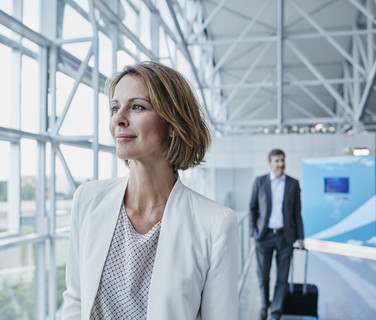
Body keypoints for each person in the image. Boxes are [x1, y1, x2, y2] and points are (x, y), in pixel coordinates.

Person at [61, 61, 238, 320]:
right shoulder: (88, 200)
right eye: (114, 108)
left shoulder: (214, 224)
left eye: (137, 107)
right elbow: (76, 299)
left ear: (173, 124)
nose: (118, 119)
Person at [249, 149, 304, 320]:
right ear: (270, 163)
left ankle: (276, 311)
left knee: (282, 278)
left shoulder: (293, 184)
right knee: (263, 276)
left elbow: (297, 212)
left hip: (285, 237)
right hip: (264, 237)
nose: (281, 164)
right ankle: (265, 306)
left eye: (282, 160)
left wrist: (301, 237)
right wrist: (254, 232)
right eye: (277, 161)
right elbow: (252, 208)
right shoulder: (260, 182)